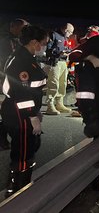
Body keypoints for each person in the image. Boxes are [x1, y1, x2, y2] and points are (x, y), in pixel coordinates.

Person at [1, 25, 48, 198]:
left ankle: (22, 184)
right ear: (34, 42)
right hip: (20, 113)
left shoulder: (27, 57)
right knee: (23, 151)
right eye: (44, 43)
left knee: (30, 146)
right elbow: (20, 92)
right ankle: (18, 191)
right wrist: (32, 116)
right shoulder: (22, 60)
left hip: (23, 111)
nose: (45, 46)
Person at [0, 18, 29, 150]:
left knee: (6, 109)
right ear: (14, 27)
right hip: (4, 79)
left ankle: (3, 139)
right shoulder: (7, 40)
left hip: (7, 79)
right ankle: (2, 140)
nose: (23, 31)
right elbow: (8, 60)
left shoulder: (14, 40)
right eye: (22, 28)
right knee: (4, 109)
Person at [44, 23, 75, 115]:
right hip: (55, 62)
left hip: (63, 63)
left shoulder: (65, 37)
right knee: (54, 84)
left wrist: (68, 52)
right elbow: (47, 50)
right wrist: (58, 53)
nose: (70, 34)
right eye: (70, 32)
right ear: (66, 30)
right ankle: (50, 105)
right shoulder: (53, 35)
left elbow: (66, 48)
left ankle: (59, 103)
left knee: (63, 84)